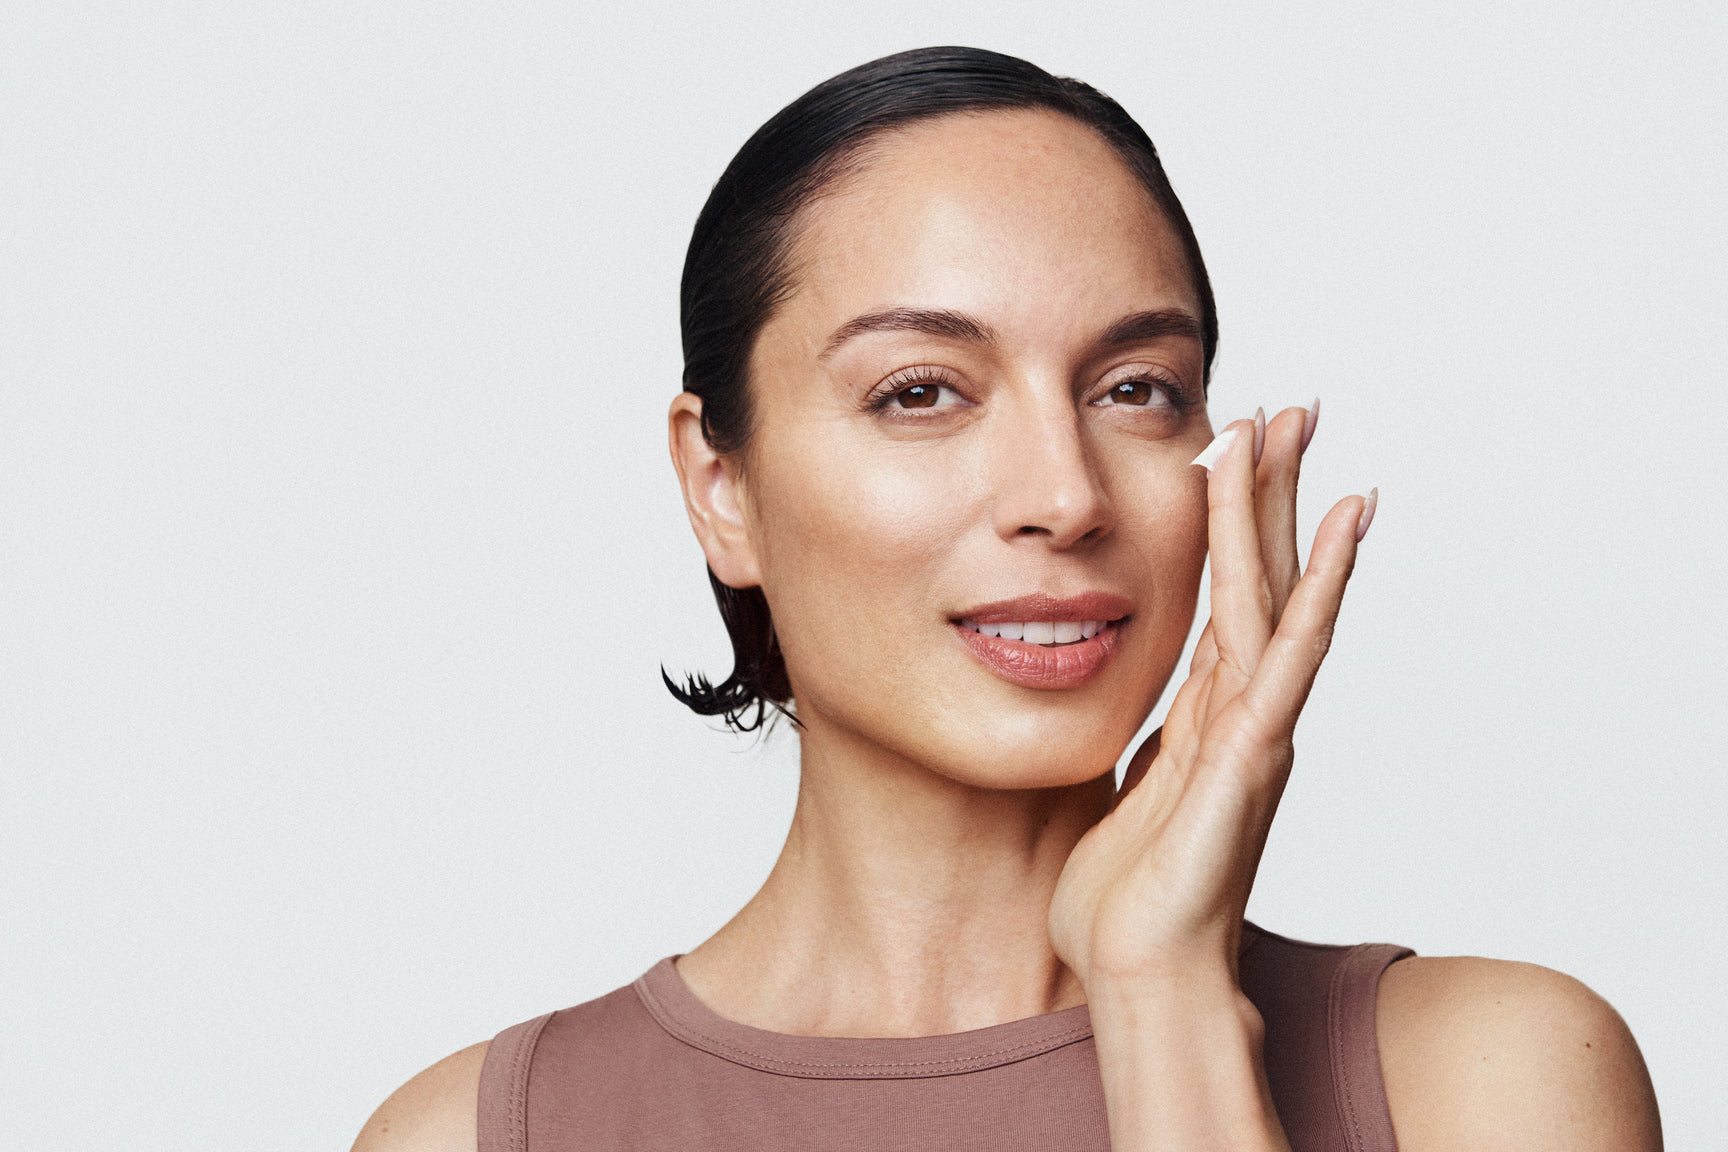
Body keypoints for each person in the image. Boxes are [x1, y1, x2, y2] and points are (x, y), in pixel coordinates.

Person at [352, 47, 1661, 1152]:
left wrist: (1166, 1003)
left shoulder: (1489, 1083)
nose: (1066, 495)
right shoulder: (477, 1134)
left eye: (1135, 387)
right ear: (721, 484)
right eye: (921, 391)